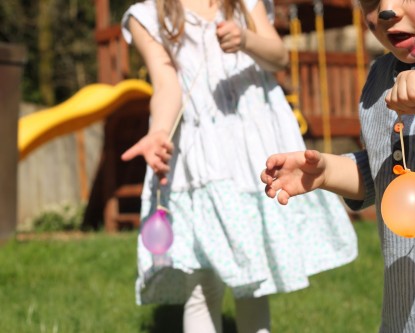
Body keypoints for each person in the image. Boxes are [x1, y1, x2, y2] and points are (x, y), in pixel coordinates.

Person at [261, 0, 415, 332]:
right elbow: (385, 169)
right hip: (407, 317)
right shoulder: (380, 78)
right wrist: (328, 172)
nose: (387, 10)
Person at [120, 0, 358, 332]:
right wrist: (159, 131)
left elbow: (277, 57)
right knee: (201, 283)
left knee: (254, 280)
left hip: (253, 150)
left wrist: (246, 40)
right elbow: (166, 85)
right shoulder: (147, 16)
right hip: (202, 156)